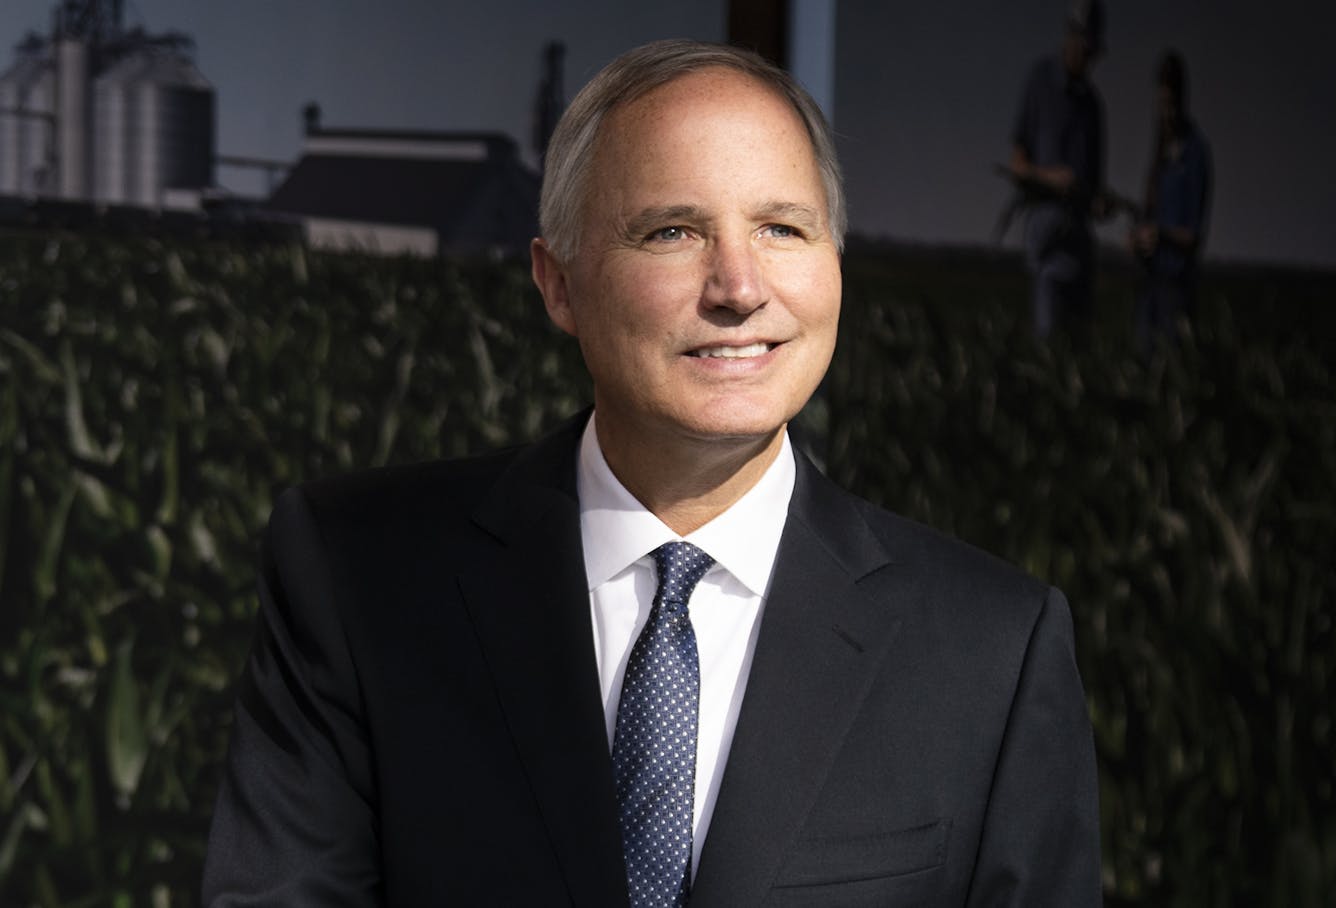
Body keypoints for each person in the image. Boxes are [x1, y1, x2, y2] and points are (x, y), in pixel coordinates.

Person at [201, 39, 1102, 907]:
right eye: (673, 231)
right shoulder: (361, 578)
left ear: (835, 264)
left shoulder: (991, 651)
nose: (739, 286)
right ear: (559, 284)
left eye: (783, 227)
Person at [1008, 0, 1107, 338]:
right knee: (1048, 338)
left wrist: (1098, 202)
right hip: (1046, 244)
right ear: (1071, 37)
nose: (1088, 59)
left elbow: (1094, 186)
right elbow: (1018, 165)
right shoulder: (1041, 81)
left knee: (1079, 340)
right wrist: (1052, 178)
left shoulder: (1092, 105)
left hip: (1079, 246)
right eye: (1084, 47)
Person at [1131, 50, 1212, 351]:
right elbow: (1148, 212)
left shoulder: (1196, 153)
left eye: (1171, 104)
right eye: (1161, 104)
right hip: (1149, 285)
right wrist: (1138, 238)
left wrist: (1162, 235)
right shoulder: (1159, 153)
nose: (1166, 113)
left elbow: (1193, 235)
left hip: (1176, 287)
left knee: (1173, 363)